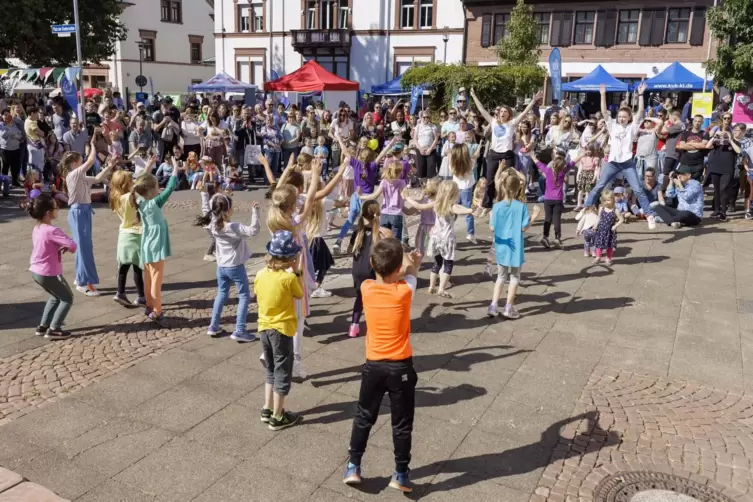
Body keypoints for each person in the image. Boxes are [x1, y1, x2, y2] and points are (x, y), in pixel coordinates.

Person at [343, 238, 421, 492]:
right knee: (401, 423)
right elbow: (411, 274)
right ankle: (400, 472)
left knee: (364, 416)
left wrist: (404, 264)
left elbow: (393, 273)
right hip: (400, 366)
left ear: (372, 264)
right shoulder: (404, 291)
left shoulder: (366, 288)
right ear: (397, 267)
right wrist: (413, 263)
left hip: (373, 365)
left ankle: (353, 465)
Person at [584, 83, 656, 230]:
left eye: (625, 116)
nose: (622, 118)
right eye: (620, 116)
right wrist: (603, 94)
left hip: (627, 163)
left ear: (629, 117)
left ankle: (649, 215)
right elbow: (604, 112)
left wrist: (641, 95)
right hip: (612, 162)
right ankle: (586, 208)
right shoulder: (612, 126)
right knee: (599, 186)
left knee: (638, 189)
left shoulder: (632, 127)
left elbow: (640, 112)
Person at [256, 230, 305, 431]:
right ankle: (278, 416)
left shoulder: (260, 274)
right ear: (291, 258)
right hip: (282, 329)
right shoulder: (288, 278)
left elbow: (258, 293)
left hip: (264, 327)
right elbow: (299, 294)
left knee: (270, 368)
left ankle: (267, 408)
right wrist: (298, 272)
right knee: (282, 371)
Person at [197, 194, 261, 342]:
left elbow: (206, 208)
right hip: (236, 267)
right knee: (244, 296)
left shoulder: (213, 224)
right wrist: (255, 211)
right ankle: (239, 330)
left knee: (221, 293)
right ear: (227, 211)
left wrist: (205, 194)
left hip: (221, 266)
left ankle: (213, 326)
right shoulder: (233, 227)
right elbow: (254, 230)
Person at [130, 158, 183, 323]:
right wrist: (175, 169)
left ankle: (149, 305)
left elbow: (140, 184)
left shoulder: (139, 201)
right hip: (156, 245)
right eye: (156, 187)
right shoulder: (155, 203)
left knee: (149, 278)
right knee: (156, 280)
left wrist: (148, 167)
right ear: (151, 190)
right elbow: (170, 187)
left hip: (147, 244)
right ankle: (157, 311)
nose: (158, 188)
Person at [471, 88, 543, 207]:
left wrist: (534, 101)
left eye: (505, 111)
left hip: (507, 154)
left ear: (509, 114)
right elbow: (482, 110)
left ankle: (506, 201)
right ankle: (488, 204)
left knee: (508, 180)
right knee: (489, 179)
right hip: (494, 154)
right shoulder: (493, 122)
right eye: (501, 111)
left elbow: (525, 112)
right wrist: (474, 96)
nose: (502, 113)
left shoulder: (512, 123)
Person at [488, 174, 541, 318]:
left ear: (503, 186)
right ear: (518, 188)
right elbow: (524, 228)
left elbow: (492, 228)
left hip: (501, 246)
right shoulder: (521, 207)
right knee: (515, 277)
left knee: (500, 276)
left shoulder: (496, 206)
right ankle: (508, 308)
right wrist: (535, 217)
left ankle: (493, 305)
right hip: (515, 248)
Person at [64, 147, 113, 297]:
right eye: (80, 162)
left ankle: (80, 276)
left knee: (84, 246)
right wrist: (93, 144)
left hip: (84, 212)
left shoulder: (81, 177)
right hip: (78, 212)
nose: (83, 163)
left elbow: (98, 179)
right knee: (83, 247)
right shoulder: (73, 174)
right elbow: (91, 160)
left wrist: (109, 166)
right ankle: (82, 283)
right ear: (73, 164)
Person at [27, 194, 77, 340]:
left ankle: (43, 326)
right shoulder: (52, 230)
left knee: (55, 297)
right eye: (57, 207)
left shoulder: (37, 228)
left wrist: (58, 247)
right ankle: (55, 328)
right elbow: (72, 245)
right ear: (48, 213)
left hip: (36, 271)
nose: (58, 209)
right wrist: (66, 247)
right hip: (49, 273)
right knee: (67, 298)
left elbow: (45, 246)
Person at [426, 180, 474, 298]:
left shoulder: (436, 203)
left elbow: (419, 206)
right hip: (447, 239)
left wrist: (408, 198)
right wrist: (471, 210)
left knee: (437, 263)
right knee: (448, 265)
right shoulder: (451, 206)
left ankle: (431, 286)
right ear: (453, 194)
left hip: (436, 238)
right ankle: (441, 289)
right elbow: (459, 209)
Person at [109, 170, 146, 307]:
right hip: (135, 234)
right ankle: (141, 296)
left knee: (123, 267)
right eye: (131, 180)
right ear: (126, 184)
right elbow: (138, 188)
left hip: (123, 235)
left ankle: (120, 292)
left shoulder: (115, 198)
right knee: (137, 268)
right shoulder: (128, 197)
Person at [533, 148, 583, 248]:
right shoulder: (563, 172)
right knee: (556, 219)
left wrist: (530, 154)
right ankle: (557, 238)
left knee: (547, 219)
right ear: (562, 166)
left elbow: (537, 162)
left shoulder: (547, 171)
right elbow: (572, 163)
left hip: (547, 199)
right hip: (558, 200)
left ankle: (545, 237)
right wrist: (581, 155)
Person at [360, 160, 407, 247]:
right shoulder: (402, 182)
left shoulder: (384, 182)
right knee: (395, 240)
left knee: (383, 238)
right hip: (397, 214)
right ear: (400, 172)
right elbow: (405, 197)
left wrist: (361, 196)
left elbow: (375, 195)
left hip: (384, 213)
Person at [705, 112, 741, 221]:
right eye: (725, 118)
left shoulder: (734, 132)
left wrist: (730, 139)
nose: (726, 120)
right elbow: (707, 146)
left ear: (731, 119)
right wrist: (716, 136)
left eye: (729, 118)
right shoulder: (717, 131)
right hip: (716, 164)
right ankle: (716, 210)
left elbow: (739, 151)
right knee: (716, 189)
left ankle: (723, 211)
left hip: (727, 165)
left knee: (724, 189)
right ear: (722, 119)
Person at [591, 190, 624, 266]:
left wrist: (615, 226)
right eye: (605, 200)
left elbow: (621, 219)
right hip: (601, 230)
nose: (606, 202)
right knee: (599, 244)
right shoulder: (601, 208)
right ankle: (598, 257)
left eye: (608, 200)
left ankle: (608, 258)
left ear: (613, 199)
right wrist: (596, 225)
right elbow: (599, 218)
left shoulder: (615, 210)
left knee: (610, 246)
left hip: (610, 231)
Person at [414, 111, 439, 180]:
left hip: (430, 149)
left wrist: (430, 149)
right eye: (424, 117)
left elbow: (436, 139)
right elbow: (415, 139)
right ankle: (423, 186)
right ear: (421, 118)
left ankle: (430, 186)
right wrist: (420, 148)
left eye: (427, 117)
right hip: (420, 150)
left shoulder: (433, 126)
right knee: (421, 169)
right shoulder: (418, 126)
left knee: (431, 169)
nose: (426, 119)